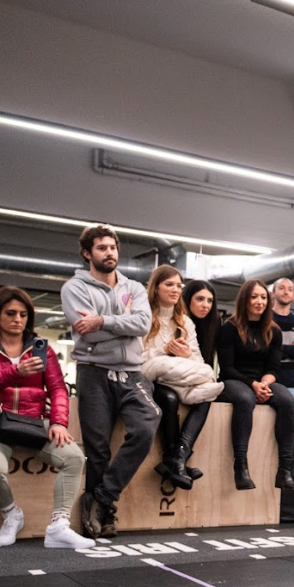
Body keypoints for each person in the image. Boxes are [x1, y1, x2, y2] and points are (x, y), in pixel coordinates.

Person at [0, 286, 92, 550]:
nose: (18, 319)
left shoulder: (40, 348)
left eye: (23, 314)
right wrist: (15, 372)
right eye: (10, 313)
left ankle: (59, 526)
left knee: (74, 458)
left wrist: (58, 422)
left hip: (35, 419)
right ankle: (11, 513)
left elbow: (58, 388)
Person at [61, 224, 161, 539]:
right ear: (87, 253)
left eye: (112, 247)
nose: (109, 253)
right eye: (101, 248)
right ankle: (101, 516)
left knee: (147, 423)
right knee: (98, 448)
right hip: (93, 372)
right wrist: (122, 325)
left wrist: (103, 321)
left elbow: (143, 324)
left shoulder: (134, 287)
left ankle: (103, 495)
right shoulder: (74, 288)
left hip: (131, 372)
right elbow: (87, 332)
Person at [141, 266, 222, 490]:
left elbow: (197, 360)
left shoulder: (186, 322)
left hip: (178, 375)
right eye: (169, 284)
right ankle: (176, 461)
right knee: (169, 398)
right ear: (156, 288)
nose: (175, 290)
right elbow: (137, 357)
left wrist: (185, 355)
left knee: (207, 393)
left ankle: (177, 457)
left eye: (178, 285)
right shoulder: (143, 317)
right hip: (151, 378)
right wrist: (165, 350)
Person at [217, 279, 294, 492]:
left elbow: (273, 368)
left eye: (263, 297)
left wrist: (263, 384)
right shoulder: (229, 328)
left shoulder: (274, 331)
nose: (259, 301)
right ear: (245, 300)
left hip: (262, 381)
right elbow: (226, 368)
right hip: (233, 380)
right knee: (245, 399)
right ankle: (241, 467)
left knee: (287, 400)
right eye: (254, 297)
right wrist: (253, 385)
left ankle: (285, 470)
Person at [182, 280, 221, 371]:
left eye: (210, 301)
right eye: (200, 299)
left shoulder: (214, 321)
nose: (205, 305)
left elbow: (209, 358)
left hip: (202, 372)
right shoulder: (177, 319)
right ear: (188, 298)